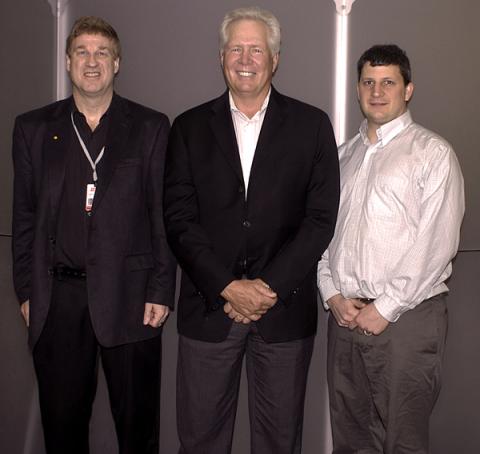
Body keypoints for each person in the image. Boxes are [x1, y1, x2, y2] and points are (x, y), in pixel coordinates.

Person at [163, 6, 339, 454]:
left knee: (280, 444)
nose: (246, 58)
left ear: (275, 58)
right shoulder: (187, 128)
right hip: (208, 313)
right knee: (199, 441)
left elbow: (319, 221)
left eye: (256, 49)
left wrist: (266, 289)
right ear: (221, 57)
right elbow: (179, 220)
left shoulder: (312, 125)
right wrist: (226, 287)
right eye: (236, 48)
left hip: (283, 315)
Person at [11, 16, 175, 454]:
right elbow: (24, 215)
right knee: (63, 431)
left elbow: (162, 213)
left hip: (132, 297)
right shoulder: (33, 129)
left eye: (102, 52)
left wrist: (161, 287)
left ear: (117, 63)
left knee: (137, 432)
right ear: (67, 62)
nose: (92, 61)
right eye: (82, 51)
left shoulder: (151, 127)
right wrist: (27, 290)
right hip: (57, 299)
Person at [317, 44, 465, 453]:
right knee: (350, 437)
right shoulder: (343, 157)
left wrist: (384, 308)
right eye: (368, 82)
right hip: (345, 319)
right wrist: (331, 293)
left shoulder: (433, 154)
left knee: (402, 440)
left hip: (406, 321)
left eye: (388, 82)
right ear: (358, 89)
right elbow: (322, 234)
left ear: (408, 89)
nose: (377, 91)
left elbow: (437, 244)